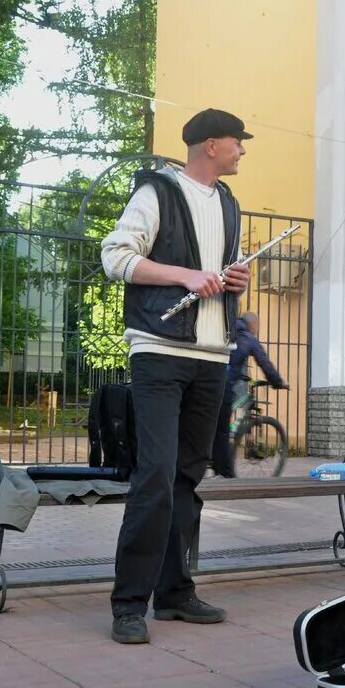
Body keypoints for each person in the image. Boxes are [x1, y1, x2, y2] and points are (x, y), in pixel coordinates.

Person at [99, 108, 254, 644]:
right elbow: (115, 256)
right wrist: (187, 275)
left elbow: (221, 274)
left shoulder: (230, 203)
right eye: (238, 142)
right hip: (159, 353)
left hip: (213, 357)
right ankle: (128, 604)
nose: (242, 150)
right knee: (156, 475)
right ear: (212, 146)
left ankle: (174, 593)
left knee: (188, 478)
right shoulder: (157, 193)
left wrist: (236, 280)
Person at [211, 311, 287, 477]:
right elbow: (265, 363)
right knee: (222, 431)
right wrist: (278, 382)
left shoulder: (227, 326)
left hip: (206, 379)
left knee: (212, 425)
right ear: (253, 326)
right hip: (222, 385)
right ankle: (226, 475)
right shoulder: (249, 337)